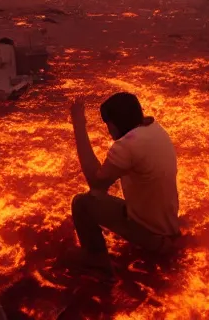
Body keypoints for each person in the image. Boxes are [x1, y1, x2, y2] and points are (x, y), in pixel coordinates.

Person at [67, 92, 180, 275]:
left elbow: (96, 183)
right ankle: (158, 237)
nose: (108, 131)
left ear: (115, 123)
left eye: (108, 125)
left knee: (82, 204)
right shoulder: (155, 129)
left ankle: (95, 257)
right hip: (168, 222)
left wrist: (79, 125)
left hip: (151, 230)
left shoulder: (127, 146)